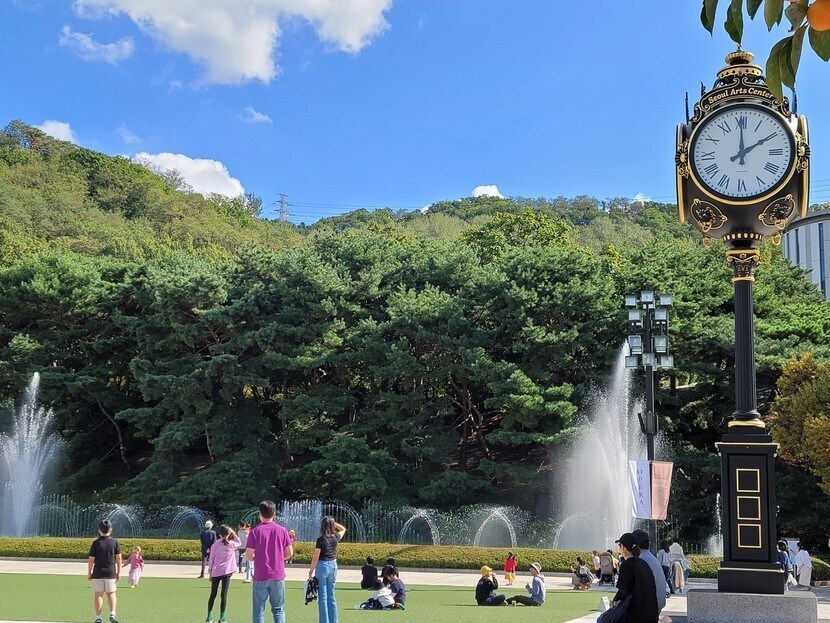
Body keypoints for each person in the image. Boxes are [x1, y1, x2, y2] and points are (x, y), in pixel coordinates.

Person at [246, 500, 294, 623]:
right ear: (274, 514)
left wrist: (258, 557)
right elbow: (290, 553)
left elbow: (249, 556)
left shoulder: (254, 532)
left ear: (259, 514)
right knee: (278, 609)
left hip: (261, 575)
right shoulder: (282, 530)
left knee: (259, 611)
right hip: (277, 575)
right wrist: (279, 558)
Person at [612, 533, 659, 623]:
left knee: (603, 619)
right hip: (652, 614)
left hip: (636, 615)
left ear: (623, 547)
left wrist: (613, 603)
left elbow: (622, 592)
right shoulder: (643, 563)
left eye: (619, 545)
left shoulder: (626, 565)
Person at [309, 516, 347, 623]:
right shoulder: (336, 537)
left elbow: (315, 558)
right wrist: (333, 524)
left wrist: (310, 571)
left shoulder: (320, 540)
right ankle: (334, 620)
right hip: (333, 565)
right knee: (331, 595)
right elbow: (343, 529)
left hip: (322, 566)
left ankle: (324, 621)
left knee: (323, 598)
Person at [87, 519, 122, 623]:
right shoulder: (114, 542)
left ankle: (98, 617)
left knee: (98, 594)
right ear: (110, 530)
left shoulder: (96, 543)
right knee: (111, 594)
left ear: (99, 530)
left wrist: (89, 573)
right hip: (110, 572)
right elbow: (119, 558)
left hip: (98, 572)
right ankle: (112, 614)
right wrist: (119, 572)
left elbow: (91, 559)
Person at [206, 525, 241, 623]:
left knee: (213, 594)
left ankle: (209, 617)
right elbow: (239, 542)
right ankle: (222, 618)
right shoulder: (231, 544)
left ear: (219, 534)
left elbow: (211, 560)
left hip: (216, 572)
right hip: (226, 572)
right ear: (228, 534)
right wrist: (233, 532)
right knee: (224, 595)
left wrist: (210, 573)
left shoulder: (215, 545)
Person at [631, 530, 667, 615]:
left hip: (648, 608)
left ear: (634, 545)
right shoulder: (650, 558)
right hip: (656, 604)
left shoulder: (642, 560)